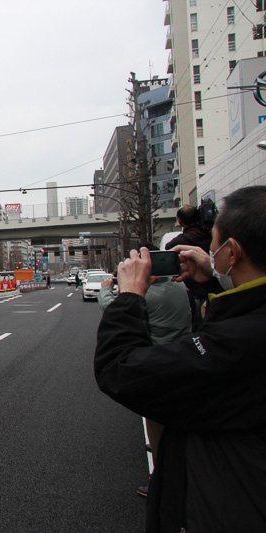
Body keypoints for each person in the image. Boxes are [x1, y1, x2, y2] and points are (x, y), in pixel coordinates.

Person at [94, 186, 266, 531]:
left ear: (232, 253)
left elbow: (120, 370)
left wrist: (129, 296)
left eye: (213, 245)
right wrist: (211, 285)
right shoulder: (246, 320)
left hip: (229, 505)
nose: (209, 252)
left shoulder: (238, 341)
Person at [97, 248, 193, 498]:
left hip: (158, 365)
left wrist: (108, 289)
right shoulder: (180, 287)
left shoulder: (148, 295)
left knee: (157, 421)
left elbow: (112, 308)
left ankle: (162, 482)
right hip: (184, 359)